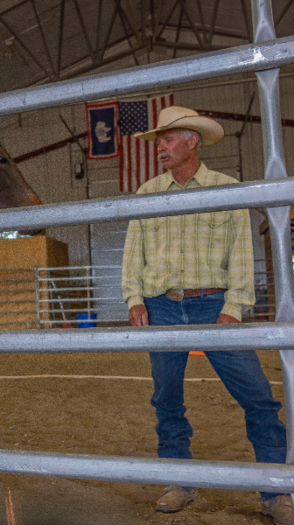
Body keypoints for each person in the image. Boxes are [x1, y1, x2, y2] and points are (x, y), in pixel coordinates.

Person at [121, 106, 291, 524]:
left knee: (257, 397)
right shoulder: (147, 194)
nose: (160, 146)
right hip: (161, 303)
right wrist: (134, 299)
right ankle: (180, 481)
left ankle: (277, 490)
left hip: (214, 304)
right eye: (159, 141)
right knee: (166, 398)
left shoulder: (227, 189)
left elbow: (241, 253)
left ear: (192, 141)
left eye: (168, 139)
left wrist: (234, 307)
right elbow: (133, 254)